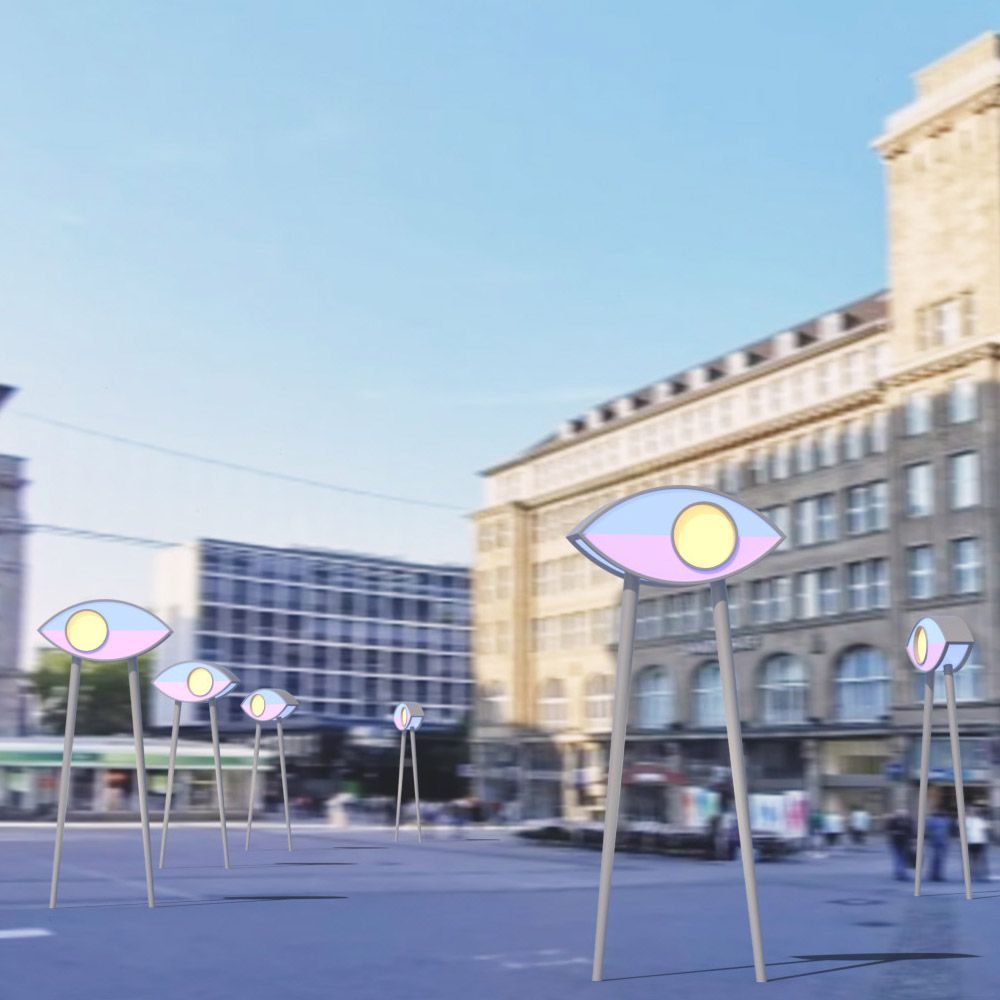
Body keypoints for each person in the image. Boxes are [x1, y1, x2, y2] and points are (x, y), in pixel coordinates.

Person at [886, 808, 913, 881]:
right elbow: (910, 831)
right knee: (900, 857)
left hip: (900, 841)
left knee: (899, 857)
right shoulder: (907, 821)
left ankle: (899, 872)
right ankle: (901, 872)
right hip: (901, 841)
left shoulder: (893, 820)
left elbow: (889, 830)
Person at [926, 807, 949, 882]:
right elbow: (947, 833)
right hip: (941, 843)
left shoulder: (931, 821)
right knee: (939, 860)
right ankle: (937, 875)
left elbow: (928, 832)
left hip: (934, 842)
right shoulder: (945, 822)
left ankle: (933, 874)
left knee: (934, 859)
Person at [966, 807, 990, 881]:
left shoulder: (980, 820)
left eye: (974, 811)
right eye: (971, 811)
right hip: (970, 842)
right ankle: (971, 874)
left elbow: (986, 829)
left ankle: (981, 875)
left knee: (980, 859)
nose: (973, 812)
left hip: (979, 842)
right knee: (971, 859)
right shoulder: (966, 820)